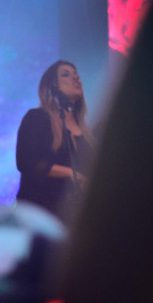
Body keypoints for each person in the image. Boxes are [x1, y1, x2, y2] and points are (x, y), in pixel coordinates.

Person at [15, 60, 94, 221]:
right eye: (66, 75)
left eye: (77, 75)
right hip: (39, 214)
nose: (76, 78)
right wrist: (72, 175)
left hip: (73, 217)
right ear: (52, 87)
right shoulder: (38, 118)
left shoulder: (87, 133)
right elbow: (27, 162)